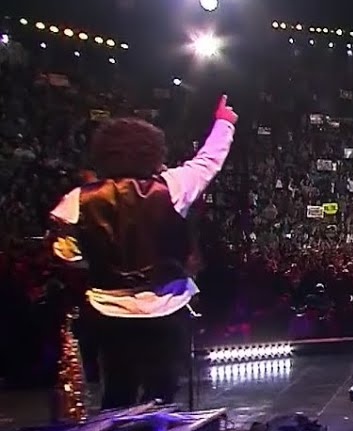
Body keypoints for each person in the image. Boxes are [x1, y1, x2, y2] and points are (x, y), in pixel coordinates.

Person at [48, 95, 238, 410]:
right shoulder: (172, 187)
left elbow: (67, 255)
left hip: (109, 310)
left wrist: (101, 264)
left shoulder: (76, 200)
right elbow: (207, 162)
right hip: (167, 305)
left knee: (117, 391)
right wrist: (224, 123)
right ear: (152, 151)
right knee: (162, 394)